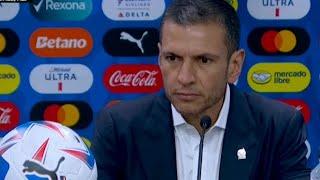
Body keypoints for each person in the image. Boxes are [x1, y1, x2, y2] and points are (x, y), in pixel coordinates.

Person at [91, 0, 310, 179]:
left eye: (203, 60)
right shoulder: (119, 128)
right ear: (159, 57)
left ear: (235, 66)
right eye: (172, 58)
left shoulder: (278, 127)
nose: (184, 77)